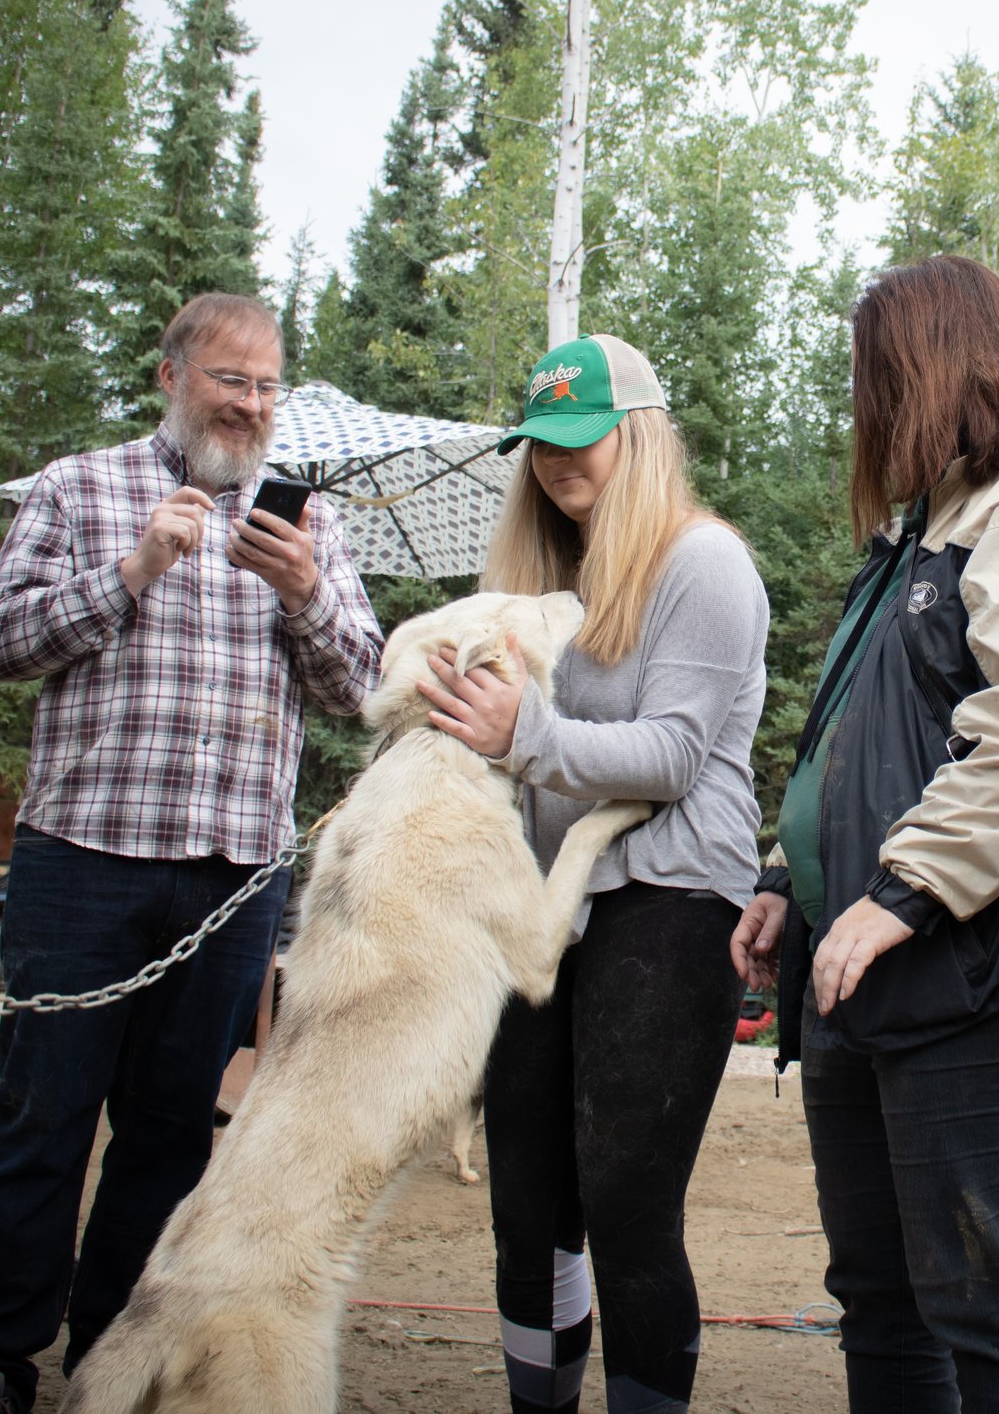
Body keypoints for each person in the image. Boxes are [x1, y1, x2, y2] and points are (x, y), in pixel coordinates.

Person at [0, 293, 383, 1414]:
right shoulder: (78, 487)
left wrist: (304, 594)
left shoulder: (309, 529)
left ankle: (113, 1349)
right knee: (43, 1111)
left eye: (269, 385)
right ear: (170, 376)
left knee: (175, 1130)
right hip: (83, 854)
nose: (251, 403)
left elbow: (367, 685)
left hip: (231, 875)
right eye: (231, 379)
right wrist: (130, 571)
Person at [729, 255, 999, 1414]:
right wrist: (788, 874)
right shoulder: (924, 528)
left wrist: (902, 890)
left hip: (973, 970)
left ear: (942, 368)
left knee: (985, 1299)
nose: (867, 409)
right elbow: (851, 735)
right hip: (857, 962)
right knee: (879, 1292)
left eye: (880, 377)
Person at [417, 334, 769, 1414]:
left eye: (582, 437)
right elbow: (508, 762)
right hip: (542, 910)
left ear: (640, 433)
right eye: (541, 443)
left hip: (667, 901)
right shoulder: (537, 580)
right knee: (527, 1204)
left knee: (625, 1208)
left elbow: (670, 755)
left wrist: (523, 730)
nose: (558, 461)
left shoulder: (702, 561)